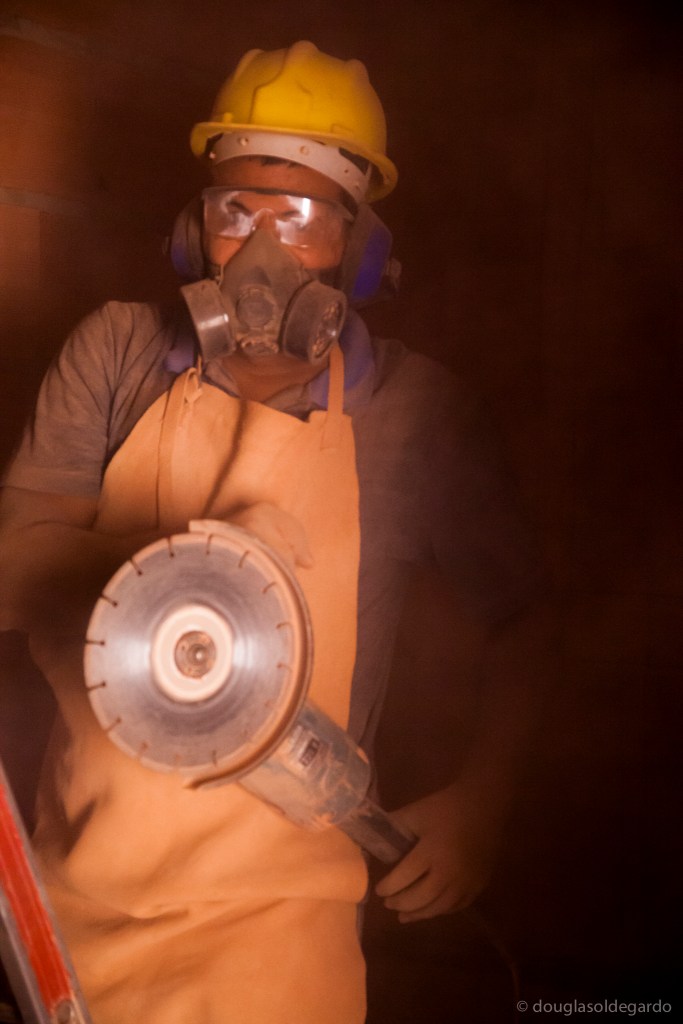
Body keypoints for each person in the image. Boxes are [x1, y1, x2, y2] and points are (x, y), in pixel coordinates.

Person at [0, 41, 548, 1024]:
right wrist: (182, 574)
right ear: (195, 230)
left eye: (298, 218)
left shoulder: (415, 417)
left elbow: (527, 619)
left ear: (359, 247)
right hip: (79, 924)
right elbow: (14, 569)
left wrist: (481, 804)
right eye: (235, 213)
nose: (259, 250)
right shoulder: (117, 352)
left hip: (281, 946)